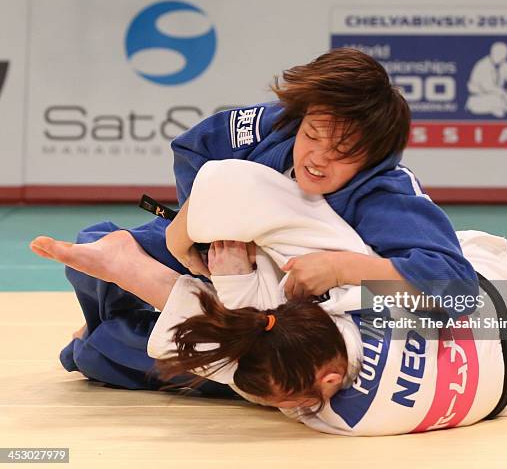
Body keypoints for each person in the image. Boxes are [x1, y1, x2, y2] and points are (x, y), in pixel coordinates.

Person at [34, 47, 480, 393]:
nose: (318, 159)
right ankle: (113, 319)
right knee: (93, 245)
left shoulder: (387, 193)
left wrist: (342, 267)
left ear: (373, 157)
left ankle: (104, 340)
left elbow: (457, 287)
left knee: (229, 368)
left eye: (342, 153)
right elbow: (197, 148)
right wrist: (203, 234)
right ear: (302, 116)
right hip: (223, 258)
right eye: (312, 136)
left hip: (288, 307)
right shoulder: (276, 125)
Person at [30, 158, 507, 436]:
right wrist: (345, 265)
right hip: (492, 298)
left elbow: (245, 344)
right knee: (145, 347)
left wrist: (231, 276)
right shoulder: (352, 391)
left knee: (216, 358)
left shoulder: (348, 407)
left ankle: (106, 308)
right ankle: (97, 331)